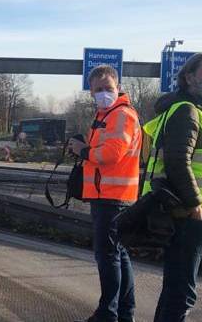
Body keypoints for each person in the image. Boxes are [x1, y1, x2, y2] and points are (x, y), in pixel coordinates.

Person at [141, 52, 202, 321]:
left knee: (174, 290)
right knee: (182, 294)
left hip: (182, 210)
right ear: (190, 78)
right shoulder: (187, 110)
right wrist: (195, 206)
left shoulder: (189, 109)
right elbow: (178, 162)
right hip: (187, 213)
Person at [70, 65, 141, 322]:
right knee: (118, 254)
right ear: (90, 92)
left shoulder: (120, 115)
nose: (103, 93)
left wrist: (83, 151)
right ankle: (123, 313)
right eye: (98, 89)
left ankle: (107, 313)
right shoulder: (106, 115)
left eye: (108, 88)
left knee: (108, 255)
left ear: (118, 87)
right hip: (110, 194)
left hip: (113, 196)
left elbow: (112, 154)